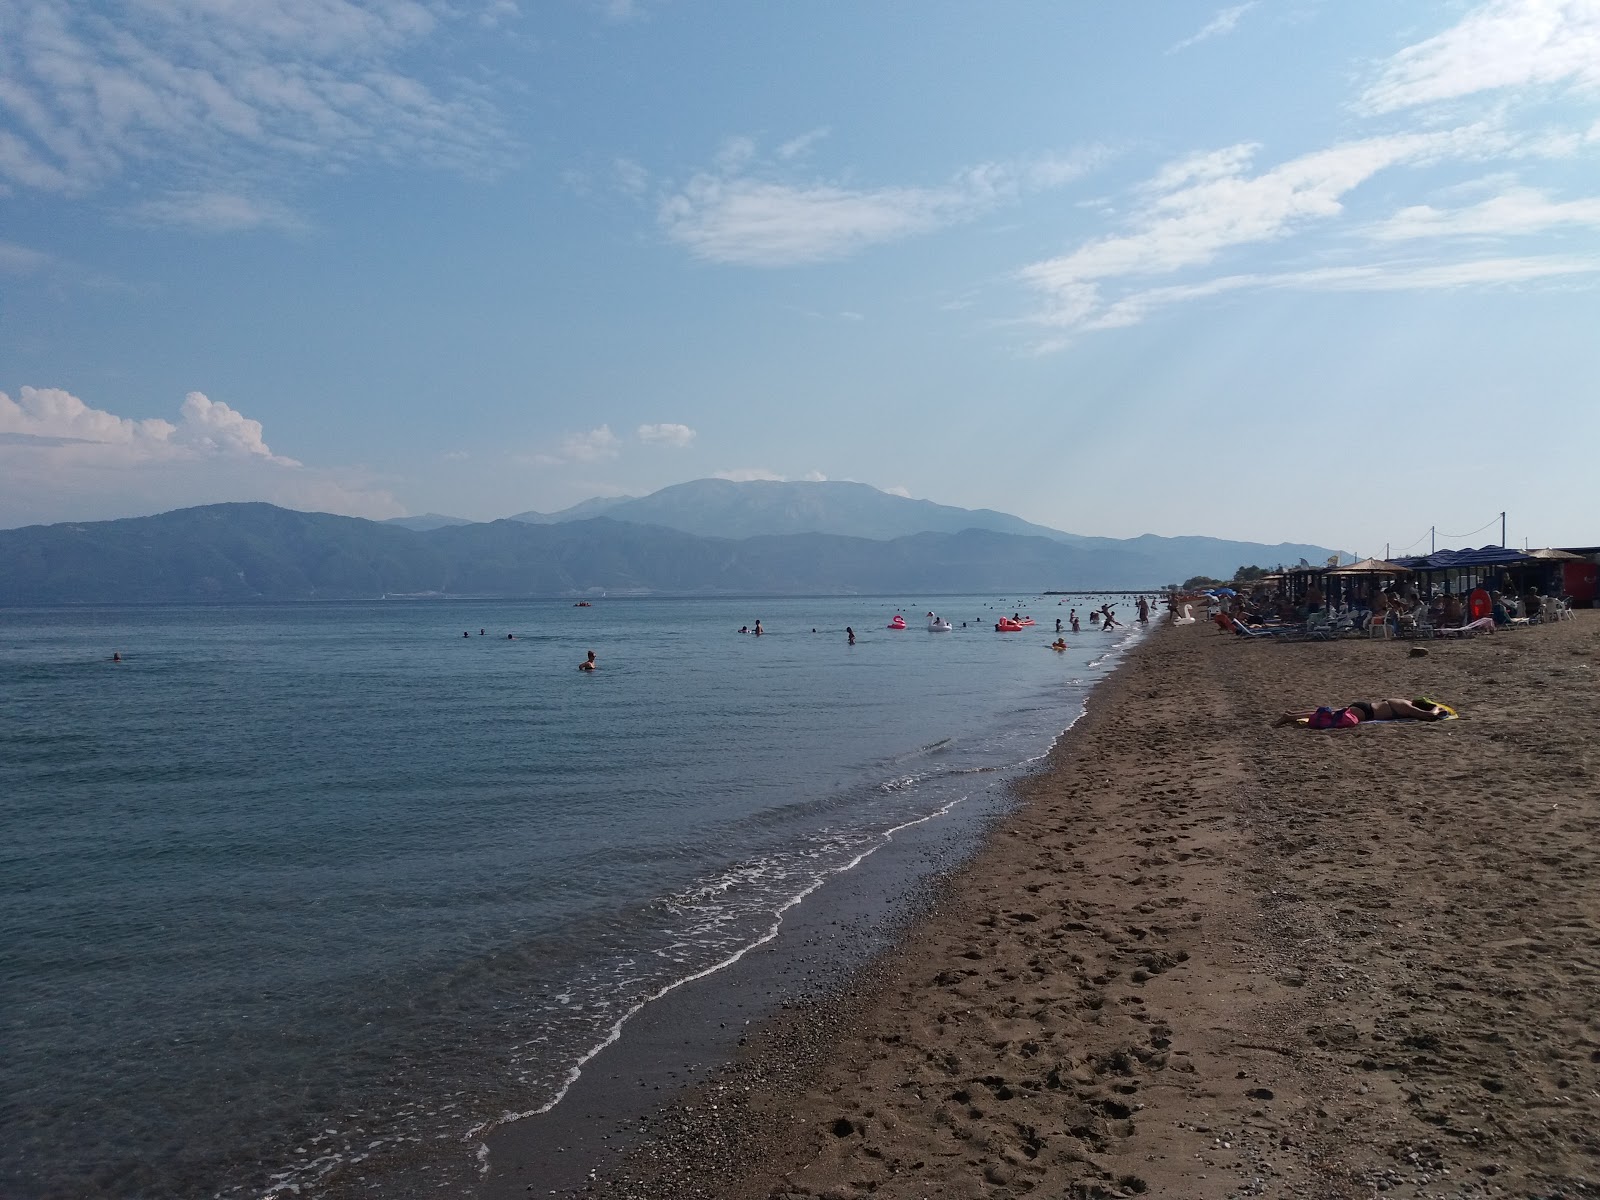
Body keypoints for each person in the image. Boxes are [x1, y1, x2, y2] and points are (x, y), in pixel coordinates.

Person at [1272, 697, 1450, 727]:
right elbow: (1428, 716)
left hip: (1365, 707)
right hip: (1367, 713)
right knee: (1329, 715)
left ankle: (1291, 714)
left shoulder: (1401, 701)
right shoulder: (1407, 707)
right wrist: (1437, 708)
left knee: (1328, 711)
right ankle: (1289, 717)